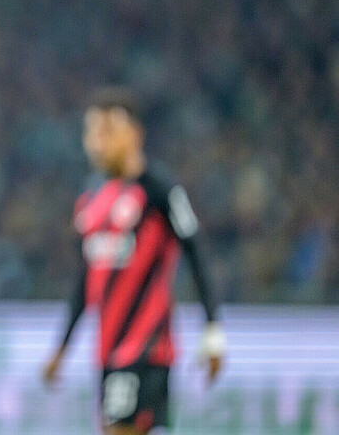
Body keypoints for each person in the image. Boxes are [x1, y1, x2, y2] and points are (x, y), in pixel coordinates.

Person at [42, 88, 225, 435]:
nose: (98, 142)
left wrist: (213, 328)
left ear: (135, 134)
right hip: (107, 351)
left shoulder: (159, 189)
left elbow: (195, 250)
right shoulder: (91, 198)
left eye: (108, 130)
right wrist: (62, 346)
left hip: (146, 348)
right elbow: (86, 280)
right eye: (92, 131)